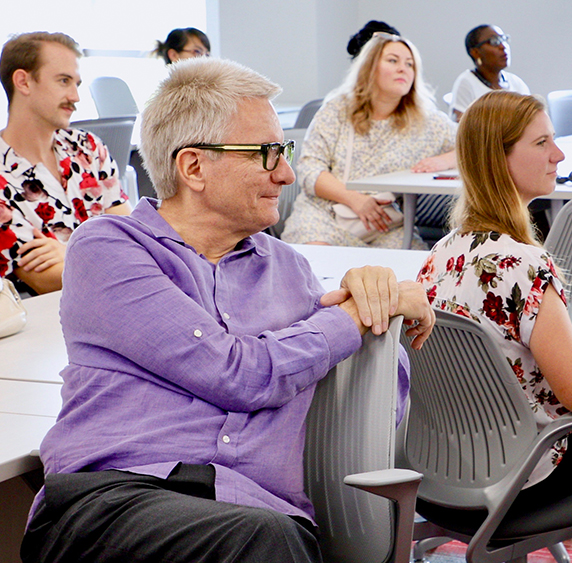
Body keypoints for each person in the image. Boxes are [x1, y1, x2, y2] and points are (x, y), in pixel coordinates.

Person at [19, 57, 435, 563]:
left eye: (283, 151)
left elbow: (370, 404)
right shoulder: (108, 249)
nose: (285, 173)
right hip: (117, 498)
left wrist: (381, 314)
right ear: (193, 166)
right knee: (266, 540)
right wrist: (345, 320)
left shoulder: (289, 270)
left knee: (271, 537)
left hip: (258, 515)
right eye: (266, 153)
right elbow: (237, 372)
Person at [417, 90, 572, 558]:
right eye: (542, 143)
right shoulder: (524, 264)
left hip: (448, 476)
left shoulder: (439, 256)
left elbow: (492, 367)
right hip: (524, 476)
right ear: (499, 158)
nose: (559, 154)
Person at [281, 32, 456, 248]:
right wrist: (356, 200)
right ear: (370, 67)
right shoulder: (337, 109)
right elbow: (309, 169)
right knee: (317, 261)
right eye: (393, 61)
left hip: (383, 223)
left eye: (410, 64)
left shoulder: (428, 122)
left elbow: (476, 148)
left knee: (415, 269)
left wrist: (445, 160)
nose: (403, 68)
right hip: (325, 214)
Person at [0, 32, 130, 295]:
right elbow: (45, 279)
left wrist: (69, 252)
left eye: (77, 84)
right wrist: (113, 251)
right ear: (23, 82)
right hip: (48, 326)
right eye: (63, 81)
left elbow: (137, 238)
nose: (76, 97)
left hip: (121, 307)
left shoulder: (89, 148)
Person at [448, 24, 530, 121]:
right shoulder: (467, 83)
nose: (503, 46)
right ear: (475, 52)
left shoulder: (516, 82)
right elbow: (460, 126)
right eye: (494, 42)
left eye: (504, 39)